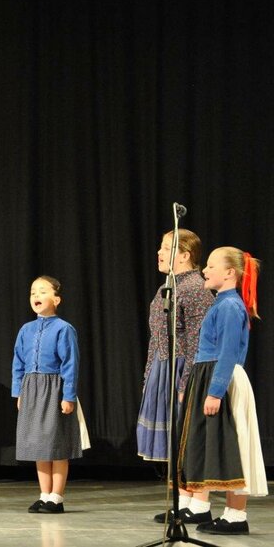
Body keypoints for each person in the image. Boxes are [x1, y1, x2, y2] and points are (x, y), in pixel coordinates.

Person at [177, 247, 267, 535]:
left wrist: (215, 391)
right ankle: (224, 512)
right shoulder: (221, 303)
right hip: (210, 374)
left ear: (230, 272)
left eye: (212, 266)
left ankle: (236, 515)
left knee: (234, 445)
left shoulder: (229, 306)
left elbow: (228, 352)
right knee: (220, 446)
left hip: (223, 377)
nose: (205, 270)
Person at [137, 229, 214, 524]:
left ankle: (199, 505)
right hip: (163, 367)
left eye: (166, 247)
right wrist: (149, 377)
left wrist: (187, 383)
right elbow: (156, 339)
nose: (158, 252)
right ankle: (184, 502)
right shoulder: (165, 288)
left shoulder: (195, 287)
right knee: (175, 441)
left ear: (185, 255)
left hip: (183, 368)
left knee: (189, 439)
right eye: (160, 246)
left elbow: (198, 339)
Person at [12, 276, 90, 514]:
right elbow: (18, 361)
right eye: (33, 292)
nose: (36, 296)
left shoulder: (64, 329)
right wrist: (19, 392)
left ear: (56, 299)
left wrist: (68, 396)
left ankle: (56, 497)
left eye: (42, 291)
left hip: (53, 389)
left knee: (56, 446)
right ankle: (44, 494)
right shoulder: (26, 329)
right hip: (32, 389)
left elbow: (70, 364)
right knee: (38, 446)